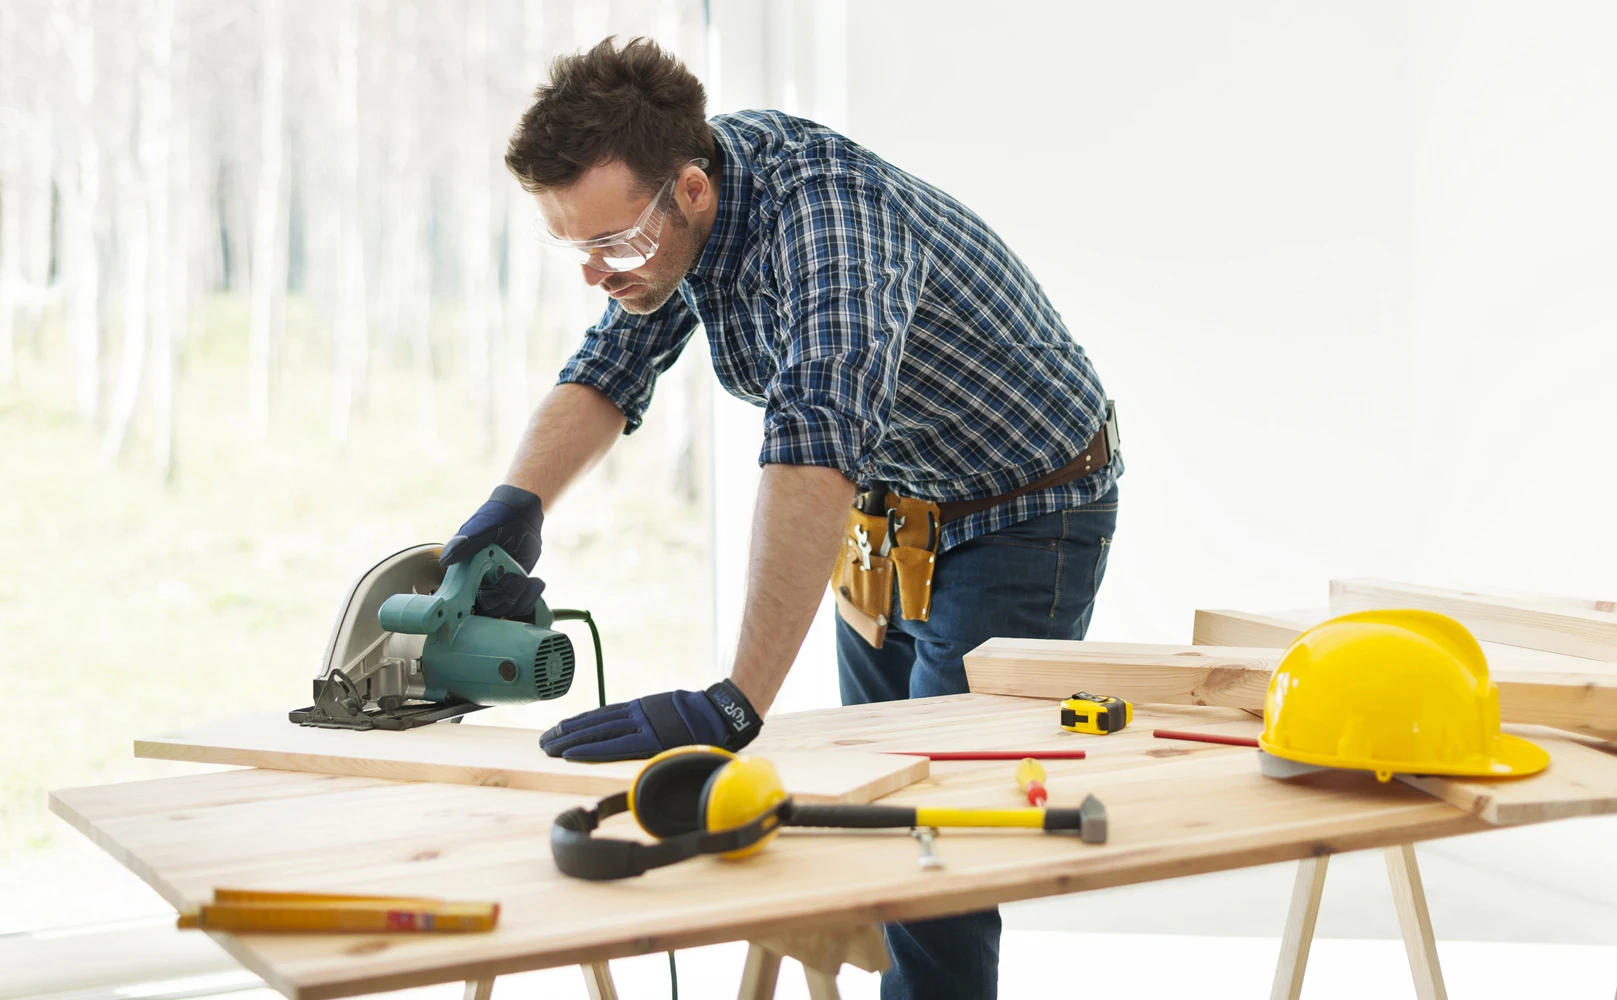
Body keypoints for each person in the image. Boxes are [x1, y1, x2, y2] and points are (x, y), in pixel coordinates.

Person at [440, 36, 1122, 1000]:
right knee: (874, 800)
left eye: (611, 243)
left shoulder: (834, 231)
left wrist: (736, 703)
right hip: (895, 511)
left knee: (943, 845)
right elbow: (609, 368)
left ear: (691, 190)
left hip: (1023, 510)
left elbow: (813, 455)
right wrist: (514, 505)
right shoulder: (676, 217)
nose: (597, 273)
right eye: (573, 246)